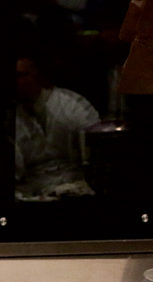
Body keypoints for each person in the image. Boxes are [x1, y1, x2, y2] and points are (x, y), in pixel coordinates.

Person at [14, 56, 100, 200]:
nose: (18, 82)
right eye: (15, 76)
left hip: (76, 186)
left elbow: (96, 153)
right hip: (33, 193)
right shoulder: (11, 117)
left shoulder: (72, 106)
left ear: (38, 75)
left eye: (23, 75)